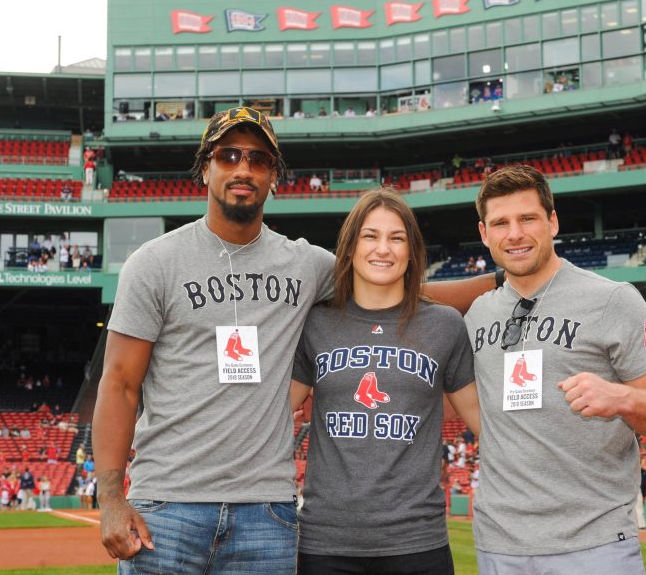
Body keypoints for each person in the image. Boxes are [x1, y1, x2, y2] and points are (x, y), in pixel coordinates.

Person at [93, 106, 495, 573]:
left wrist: (504, 278)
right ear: (206, 167)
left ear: (274, 177)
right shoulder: (155, 263)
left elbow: (389, 286)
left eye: (259, 160)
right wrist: (110, 497)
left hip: (266, 513)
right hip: (167, 506)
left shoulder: (306, 265)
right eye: (229, 156)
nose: (244, 169)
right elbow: (119, 383)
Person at [463, 165, 646, 573]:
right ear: (484, 233)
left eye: (527, 218)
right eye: (500, 223)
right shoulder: (477, 314)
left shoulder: (612, 299)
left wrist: (623, 397)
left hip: (594, 543)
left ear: (552, 221)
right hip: (500, 545)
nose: (514, 233)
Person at [290, 189, 479, 575]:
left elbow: (484, 423)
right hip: (326, 542)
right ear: (350, 246)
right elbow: (271, 411)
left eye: (397, 238)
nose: (384, 249)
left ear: (412, 251)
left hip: (417, 542)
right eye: (370, 236)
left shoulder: (444, 325)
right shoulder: (315, 322)